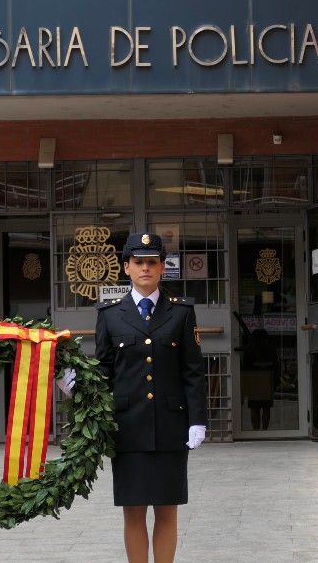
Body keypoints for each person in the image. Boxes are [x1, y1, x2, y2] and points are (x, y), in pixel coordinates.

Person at [95, 232, 208, 563]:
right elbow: (103, 369)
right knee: (133, 513)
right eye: (139, 262)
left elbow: (192, 371)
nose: (145, 268)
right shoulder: (110, 314)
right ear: (127, 267)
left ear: (162, 268)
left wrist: (197, 420)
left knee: (167, 511)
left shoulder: (182, 312)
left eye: (152, 262)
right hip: (127, 428)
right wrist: (76, 386)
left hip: (171, 427)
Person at [242, 328, 279, 431]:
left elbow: (245, 369)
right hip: (267, 382)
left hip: (253, 382)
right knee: (266, 408)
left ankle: (256, 430)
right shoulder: (271, 350)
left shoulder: (249, 351)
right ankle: (264, 430)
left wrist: (245, 385)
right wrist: (275, 383)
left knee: (254, 408)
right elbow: (276, 367)